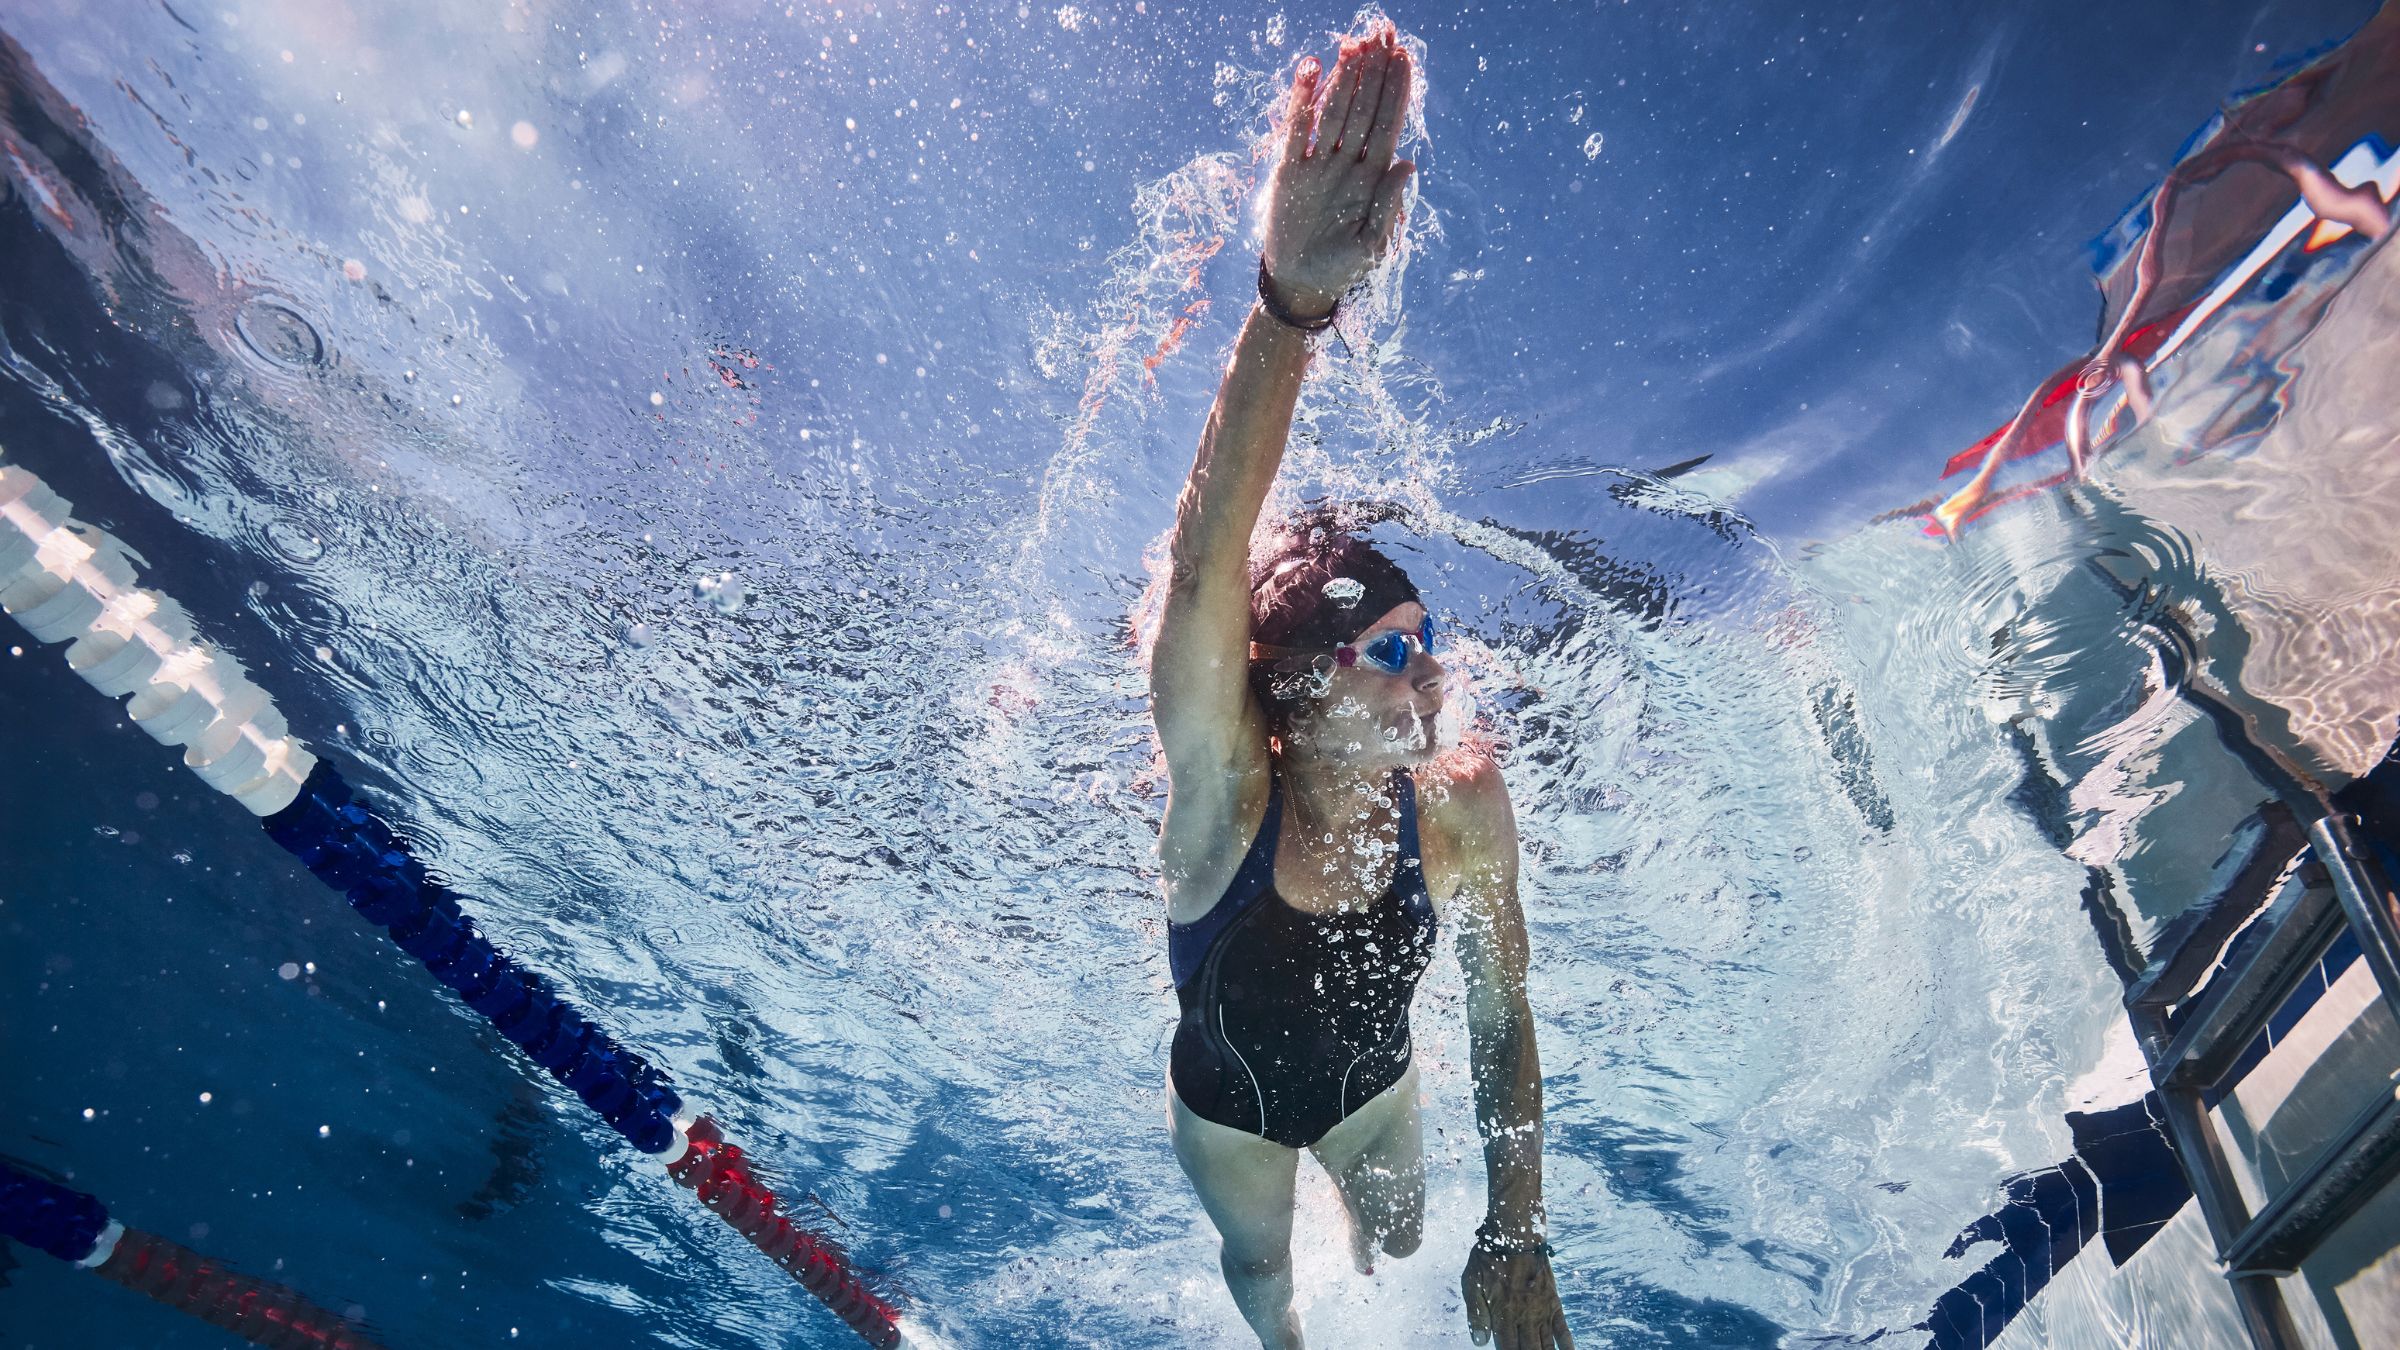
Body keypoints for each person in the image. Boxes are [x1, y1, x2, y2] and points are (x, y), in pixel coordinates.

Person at [1148, 25, 1572, 1350]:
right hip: (1228, 1109)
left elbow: (1505, 1018)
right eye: (1387, 651)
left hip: (1376, 1091)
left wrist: (1516, 1234)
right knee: (1265, 1274)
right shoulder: (1226, 794)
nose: (1430, 672)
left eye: (1422, 637)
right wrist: (1289, 309)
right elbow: (1206, 569)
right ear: (1290, 690)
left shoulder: (1457, 801)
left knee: (1394, 1244)